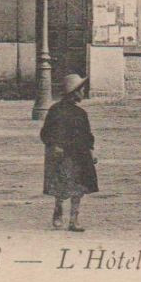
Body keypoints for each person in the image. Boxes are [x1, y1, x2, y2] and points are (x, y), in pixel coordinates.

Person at [40, 73, 98, 232]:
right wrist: (54, 145)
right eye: (81, 90)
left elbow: (87, 136)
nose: (83, 92)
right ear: (73, 92)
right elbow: (46, 133)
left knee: (79, 188)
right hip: (62, 155)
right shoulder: (55, 111)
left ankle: (74, 220)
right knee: (61, 186)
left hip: (80, 155)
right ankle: (58, 211)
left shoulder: (81, 114)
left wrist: (92, 153)